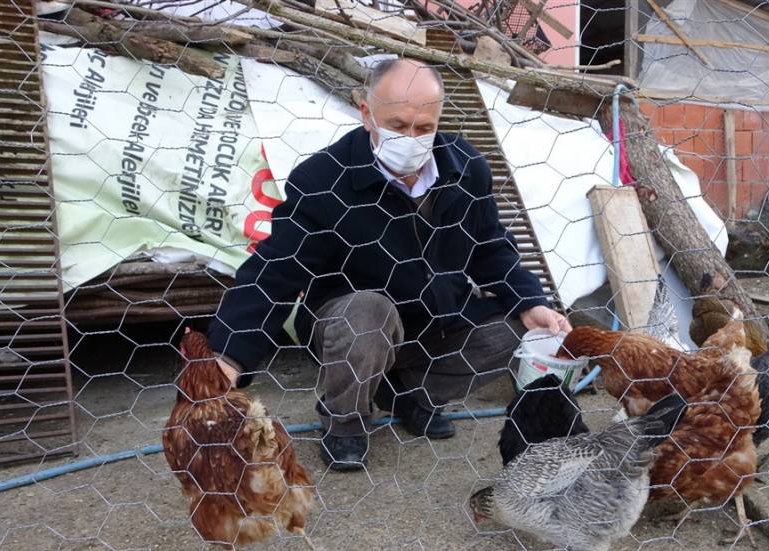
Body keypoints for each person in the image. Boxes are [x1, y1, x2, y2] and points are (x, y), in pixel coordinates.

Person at [207, 58, 569, 470]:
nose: (412, 138)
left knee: (522, 326)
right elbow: (274, 272)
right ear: (366, 113)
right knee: (368, 313)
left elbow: (491, 248)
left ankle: (411, 394)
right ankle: (345, 422)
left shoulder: (465, 167)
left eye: (424, 128)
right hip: (354, 325)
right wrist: (228, 357)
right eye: (397, 126)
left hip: (437, 320)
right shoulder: (323, 179)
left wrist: (530, 299)